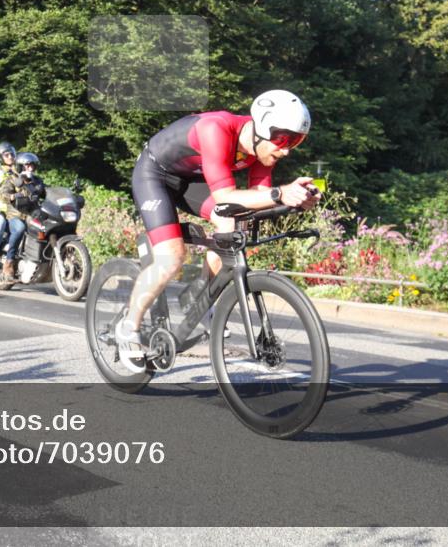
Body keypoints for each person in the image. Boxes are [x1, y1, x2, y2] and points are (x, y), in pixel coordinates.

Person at [116, 90, 321, 371]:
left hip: (192, 179)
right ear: (261, 126)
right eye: (282, 138)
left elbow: (260, 198)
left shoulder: (265, 151)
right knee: (172, 256)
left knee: (234, 224)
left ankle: (201, 299)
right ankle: (128, 328)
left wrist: (296, 200)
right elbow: (226, 195)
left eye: (295, 141)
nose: (286, 149)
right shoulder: (216, 129)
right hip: (154, 174)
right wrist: (280, 193)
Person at [0, 152, 47, 280]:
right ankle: (9, 262)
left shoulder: (37, 181)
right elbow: (3, 194)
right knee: (20, 229)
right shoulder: (12, 179)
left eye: (32, 165)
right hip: (16, 215)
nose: (30, 168)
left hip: (32, 215)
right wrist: (12, 196)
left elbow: (47, 192)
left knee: (47, 228)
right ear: (21, 166)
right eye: (27, 165)